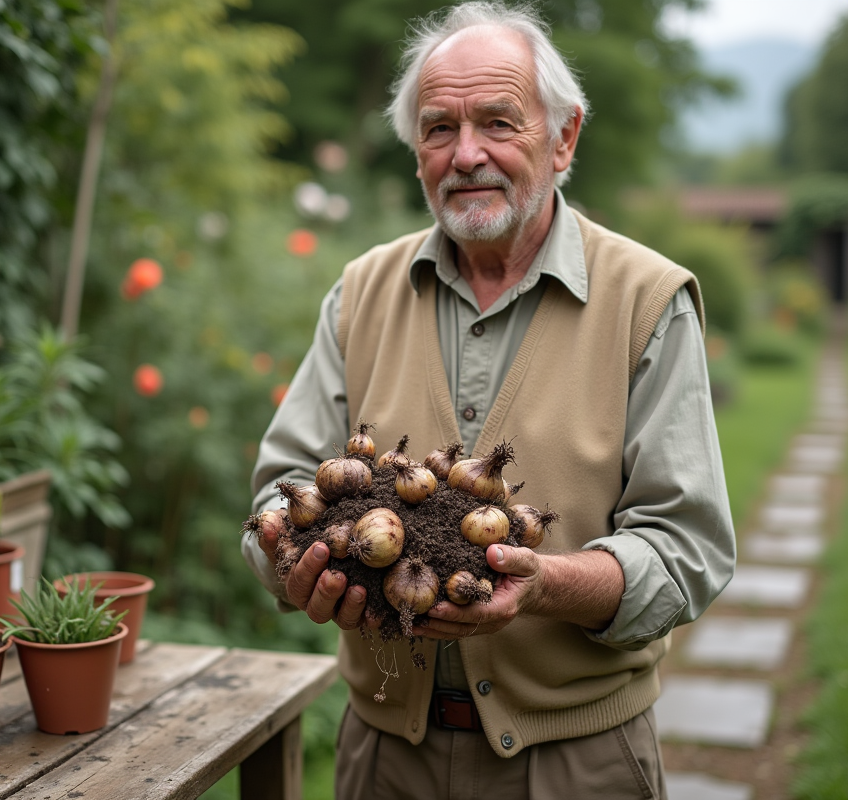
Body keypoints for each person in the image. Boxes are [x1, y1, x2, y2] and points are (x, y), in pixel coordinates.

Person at [242, 2, 735, 797]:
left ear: (564, 138)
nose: (466, 154)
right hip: (381, 760)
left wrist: (543, 585)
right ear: (416, 155)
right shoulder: (360, 292)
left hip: (577, 762)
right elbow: (278, 493)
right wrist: (287, 558)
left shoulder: (647, 300)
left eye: (498, 123)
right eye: (439, 129)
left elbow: (687, 552)